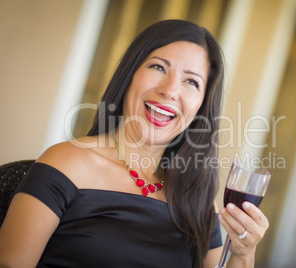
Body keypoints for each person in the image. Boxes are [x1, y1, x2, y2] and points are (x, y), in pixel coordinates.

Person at [0, 20, 269, 267]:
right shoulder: (66, 163)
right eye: (158, 67)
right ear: (130, 74)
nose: (170, 90)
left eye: (191, 81)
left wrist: (243, 253)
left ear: (201, 105)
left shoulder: (195, 197)